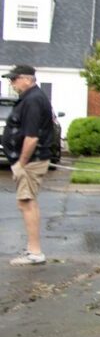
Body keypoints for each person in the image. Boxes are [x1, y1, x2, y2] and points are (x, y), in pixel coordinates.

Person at [2, 64, 55, 265]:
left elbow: (31, 137)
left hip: (31, 161)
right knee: (26, 201)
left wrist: (20, 164)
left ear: (27, 79)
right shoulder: (30, 98)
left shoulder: (33, 100)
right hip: (30, 160)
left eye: (14, 79)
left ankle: (35, 252)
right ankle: (33, 250)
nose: (12, 83)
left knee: (26, 202)